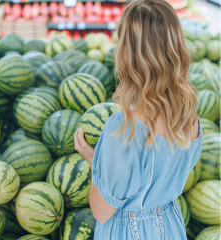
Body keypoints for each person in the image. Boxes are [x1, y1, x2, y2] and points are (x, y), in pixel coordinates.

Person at [74, 0, 202, 239]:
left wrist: (95, 160)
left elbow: (102, 212)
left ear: (128, 53)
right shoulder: (190, 118)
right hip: (171, 228)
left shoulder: (123, 127)